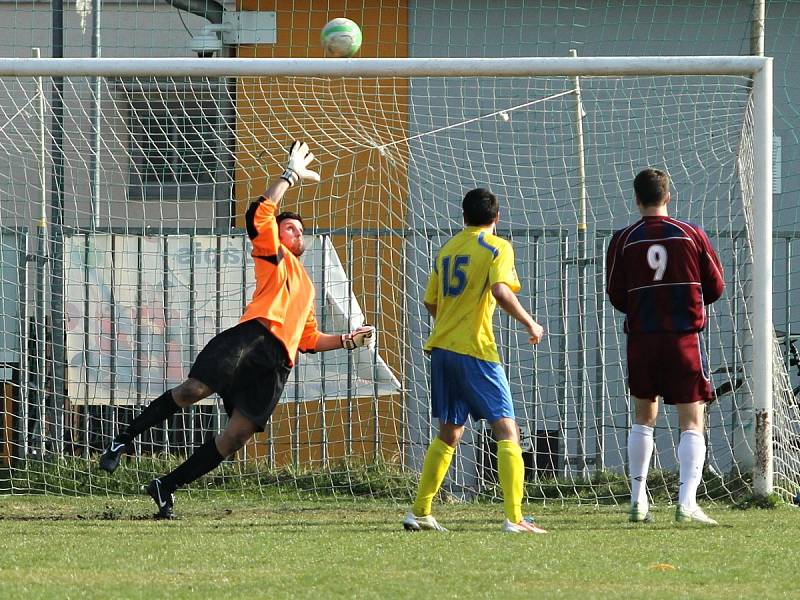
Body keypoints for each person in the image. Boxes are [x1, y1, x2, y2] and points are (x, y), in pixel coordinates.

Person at [98, 141, 375, 519]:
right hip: (251, 340)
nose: (297, 234)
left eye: (299, 231)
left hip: (277, 364)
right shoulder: (273, 257)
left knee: (235, 438)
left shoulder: (306, 285)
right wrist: (289, 175)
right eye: (289, 228)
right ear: (277, 236)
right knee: (192, 391)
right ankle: (121, 441)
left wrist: (347, 340)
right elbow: (260, 214)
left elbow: (308, 339)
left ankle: (166, 486)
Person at [403, 187, 547, 534]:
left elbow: (431, 302)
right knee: (506, 429)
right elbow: (500, 290)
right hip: (475, 350)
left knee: (450, 432)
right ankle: (515, 518)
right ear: (496, 219)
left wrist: (453, 321)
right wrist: (531, 322)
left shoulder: (448, 248)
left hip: (441, 349)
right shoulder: (497, 247)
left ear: (463, 217)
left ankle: (420, 511)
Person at [606, 168, 724, 526]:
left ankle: (638, 499)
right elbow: (715, 287)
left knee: (644, 416)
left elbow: (616, 294)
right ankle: (686, 502)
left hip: (642, 338)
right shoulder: (691, 235)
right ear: (668, 197)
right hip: (682, 337)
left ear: (637, 199)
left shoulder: (623, 239)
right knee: (692, 420)